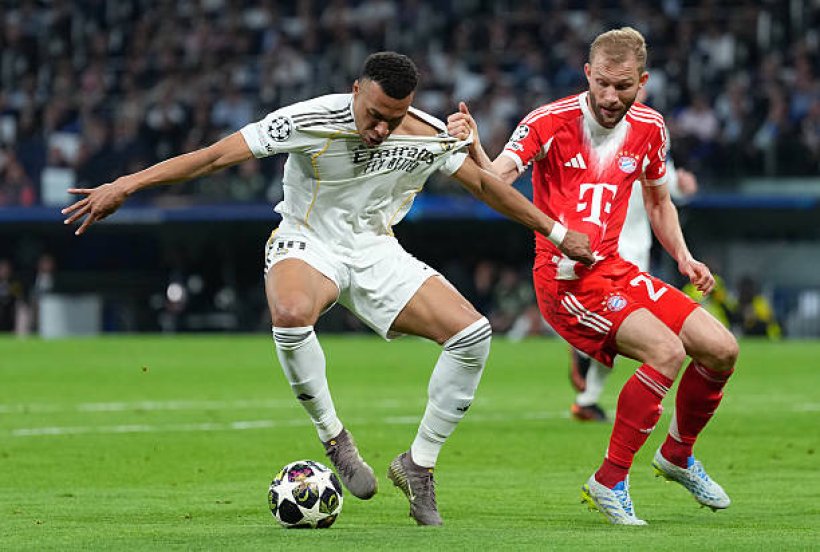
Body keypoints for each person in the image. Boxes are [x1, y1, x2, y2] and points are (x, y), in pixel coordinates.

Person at [62, 52, 594, 526]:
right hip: (307, 239)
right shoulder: (308, 119)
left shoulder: (427, 132)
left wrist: (557, 232)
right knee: (293, 312)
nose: (381, 128)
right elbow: (213, 157)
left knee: (472, 335)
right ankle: (334, 436)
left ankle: (418, 466)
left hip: (376, 248)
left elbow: (484, 185)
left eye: (393, 119)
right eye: (374, 114)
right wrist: (126, 185)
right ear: (356, 90)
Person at [448, 28, 739, 525]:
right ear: (587, 73)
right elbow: (495, 182)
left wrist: (684, 257)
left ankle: (677, 454)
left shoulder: (650, 127)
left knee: (721, 349)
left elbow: (658, 201)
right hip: (565, 283)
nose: (609, 96)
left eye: (622, 86)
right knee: (667, 352)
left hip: (616, 269)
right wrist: (474, 146)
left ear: (641, 83)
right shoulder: (548, 120)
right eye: (601, 82)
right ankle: (609, 481)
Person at [568, 86, 700, 423]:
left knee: (622, 329)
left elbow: (661, 183)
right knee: (625, 325)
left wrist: (681, 187)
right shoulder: (590, 127)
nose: (622, 95)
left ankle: (587, 388)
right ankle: (586, 354)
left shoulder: (652, 130)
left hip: (637, 245)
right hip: (603, 241)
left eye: (630, 87)